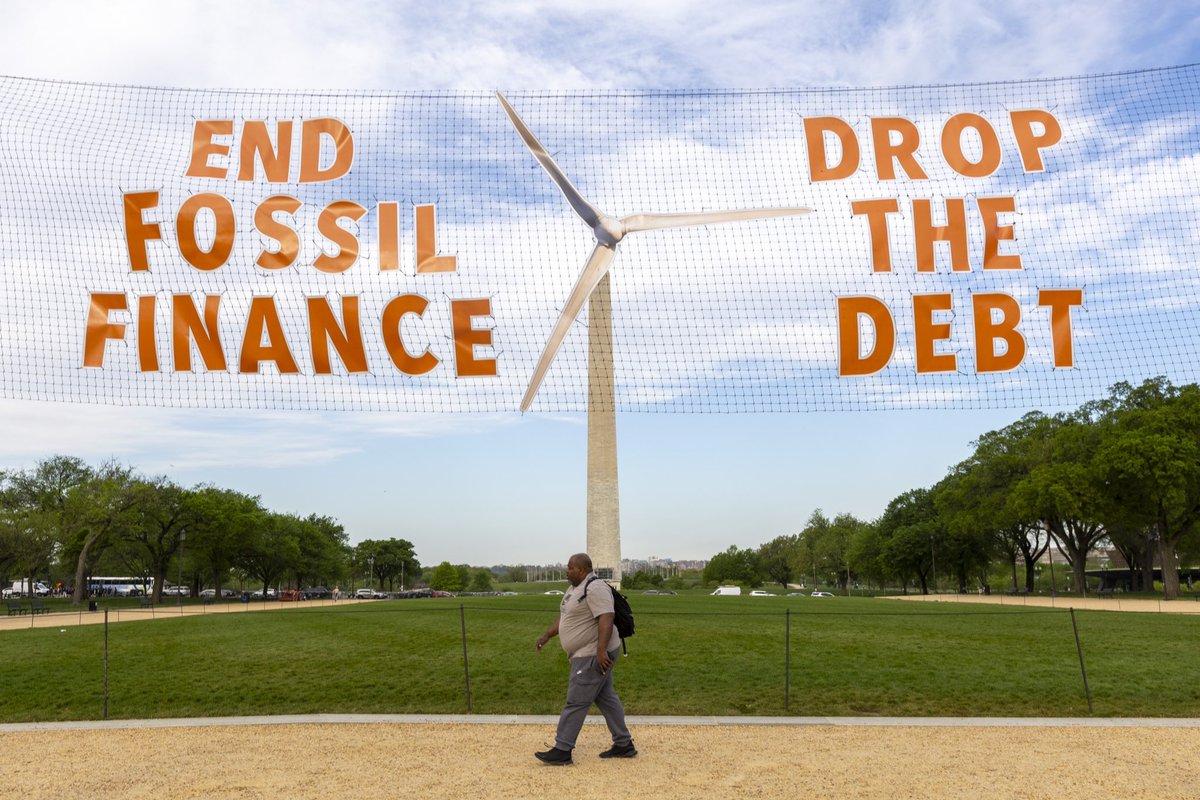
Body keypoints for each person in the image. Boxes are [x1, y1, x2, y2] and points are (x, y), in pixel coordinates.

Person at [533, 553, 636, 765]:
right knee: (606, 697)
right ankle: (624, 744)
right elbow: (564, 617)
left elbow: (607, 618)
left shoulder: (595, 587)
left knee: (576, 701)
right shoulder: (574, 589)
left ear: (581, 570)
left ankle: (562, 749)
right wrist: (547, 635)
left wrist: (600, 652)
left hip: (591, 653)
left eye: (570, 568)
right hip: (587, 652)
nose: (566, 571)